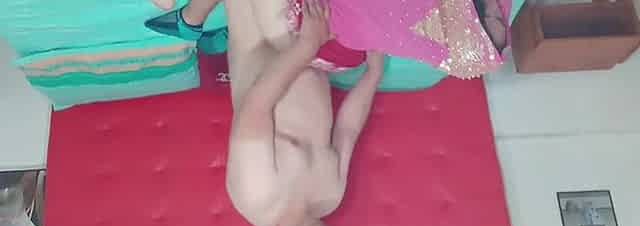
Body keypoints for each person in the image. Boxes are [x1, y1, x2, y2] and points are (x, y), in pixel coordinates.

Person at [146, 0, 385, 226]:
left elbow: (256, 106)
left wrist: (304, 48)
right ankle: (196, 20)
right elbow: (347, 130)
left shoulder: (256, 196)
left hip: (268, 46)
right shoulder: (330, 196)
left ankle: (191, 19)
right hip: (313, 53)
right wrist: (373, 74)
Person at [146, 0, 510, 79]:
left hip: (319, 32)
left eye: (488, 18)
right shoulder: (436, 31)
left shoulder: (431, 16)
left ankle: (191, 19)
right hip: (340, 46)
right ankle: (225, 29)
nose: (497, 9)